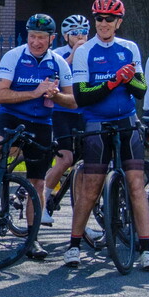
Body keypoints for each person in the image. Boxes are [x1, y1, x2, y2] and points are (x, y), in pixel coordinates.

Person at [65, 0, 149, 272]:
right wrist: (114, 80)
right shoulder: (85, 51)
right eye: (99, 18)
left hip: (127, 122)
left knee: (136, 186)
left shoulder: (129, 48)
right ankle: (73, 245)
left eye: (109, 19)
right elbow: (82, 97)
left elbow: (141, 91)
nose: (103, 23)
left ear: (118, 22)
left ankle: (145, 249)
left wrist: (131, 79)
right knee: (91, 188)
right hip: (96, 124)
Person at [0, 14, 75, 260]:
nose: (36, 42)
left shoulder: (58, 63)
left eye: (41, 37)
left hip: (42, 121)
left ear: (52, 38)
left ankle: (33, 238)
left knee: (37, 183)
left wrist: (55, 95)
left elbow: (72, 101)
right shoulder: (14, 56)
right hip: (11, 116)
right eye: (32, 36)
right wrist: (34, 93)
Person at [42, 13, 91, 225]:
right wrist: (73, 56)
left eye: (84, 33)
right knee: (65, 159)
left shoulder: (92, 51)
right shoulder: (58, 54)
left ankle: (82, 217)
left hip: (85, 113)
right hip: (62, 113)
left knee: (87, 165)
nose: (80, 37)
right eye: (75, 33)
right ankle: (42, 201)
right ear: (65, 36)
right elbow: (55, 81)